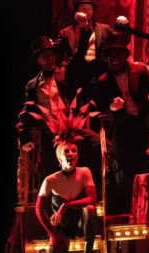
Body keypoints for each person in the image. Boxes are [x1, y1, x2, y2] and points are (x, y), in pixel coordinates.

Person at [95, 32, 149, 214]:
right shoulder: (103, 81)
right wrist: (113, 108)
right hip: (122, 125)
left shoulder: (140, 71)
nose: (113, 59)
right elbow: (102, 107)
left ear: (125, 55)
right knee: (123, 169)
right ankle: (125, 211)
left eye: (116, 55)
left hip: (142, 119)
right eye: (110, 55)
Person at [19, 37, 103, 193]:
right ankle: (52, 206)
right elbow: (27, 112)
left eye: (51, 55)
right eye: (45, 57)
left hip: (71, 128)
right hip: (50, 131)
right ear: (39, 60)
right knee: (48, 167)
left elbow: (79, 57)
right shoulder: (32, 85)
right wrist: (25, 138)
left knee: (98, 143)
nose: (50, 59)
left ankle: (94, 191)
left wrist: (84, 31)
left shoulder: (64, 72)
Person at [35, 104, 99, 253]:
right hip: (61, 227)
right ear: (59, 158)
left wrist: (67, 205)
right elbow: (39, 209)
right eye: (67, 151)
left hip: (80, 224)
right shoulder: (51, 180)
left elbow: (92, 199)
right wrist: (52, 233)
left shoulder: (85, 172)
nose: (71, 153)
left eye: (74, 150)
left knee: (91, 210)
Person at [57, 0, 115, 100]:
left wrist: (124, 25)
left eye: (89, 8)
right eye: (83, 8)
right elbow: (55, 51)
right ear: (77, 11)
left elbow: (119, 40)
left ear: (93, 11)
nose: (86, 12)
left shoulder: (104, 29)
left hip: (98, 76)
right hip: (76, 78)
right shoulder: (65, 32)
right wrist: (62, 66)